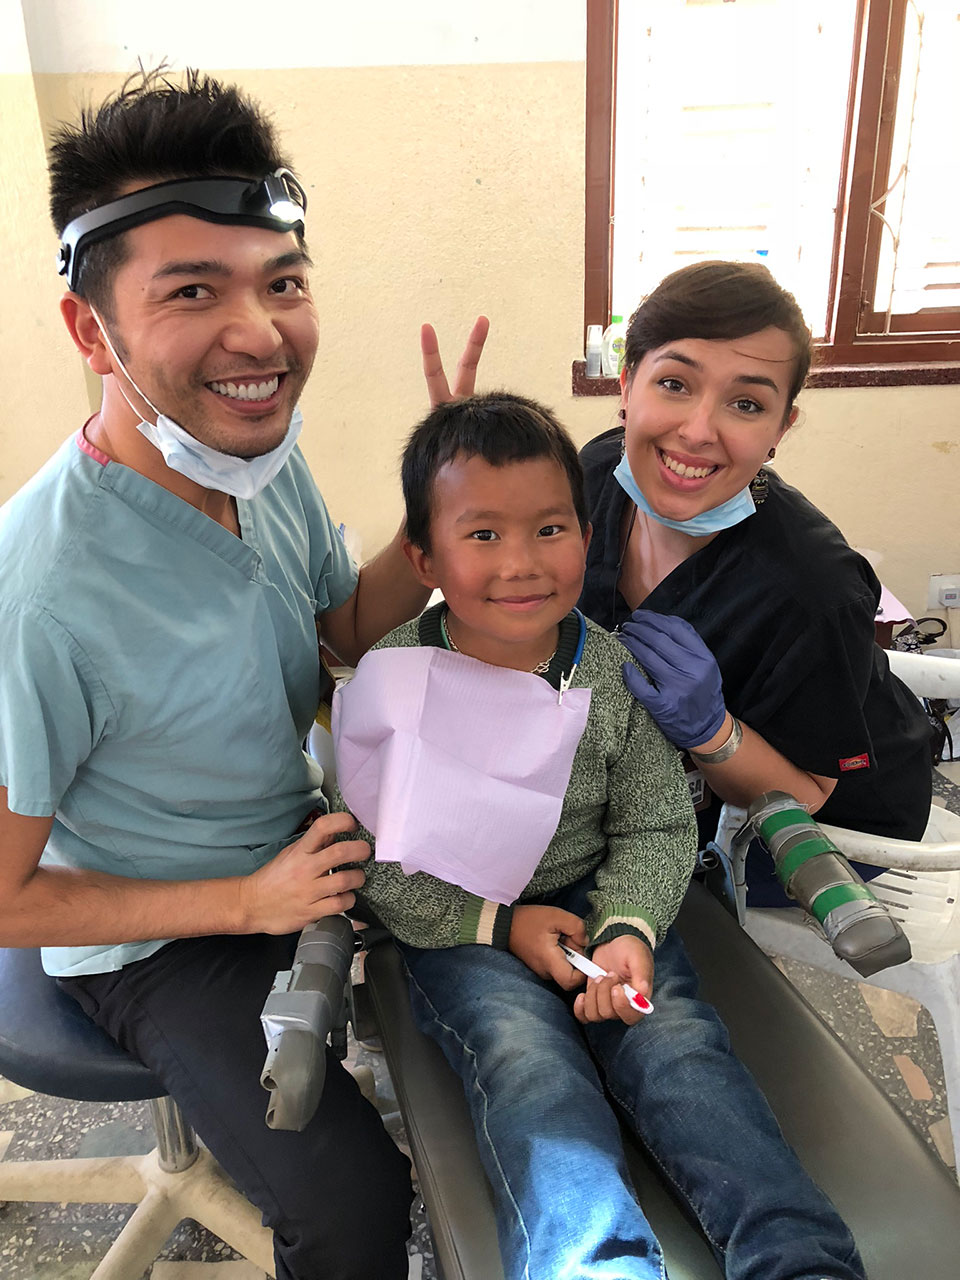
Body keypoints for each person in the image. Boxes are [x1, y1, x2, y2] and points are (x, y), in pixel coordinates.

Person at [0, 69, 475, 1280]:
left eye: (283, 284)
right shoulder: (44, 594)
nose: (260, 335)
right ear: (89, 329)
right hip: (159, 931)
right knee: (357, 1204)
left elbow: (335, 636)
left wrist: (445, 516)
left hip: (296, 847)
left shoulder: (258, 462)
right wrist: (246, 904)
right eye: (193, 291)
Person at [336, 392, 865, 1280]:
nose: (522, 565)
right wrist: (504, 928)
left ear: (588, 535)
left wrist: (627, 926)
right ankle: (594, 1263)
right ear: (424, 557)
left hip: (599, 901)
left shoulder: (612, 674)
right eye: (482, 536)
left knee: (678, 1046)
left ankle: (798, 1254)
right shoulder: (395, 683)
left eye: (550, 529)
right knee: (528, 1066)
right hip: (465, 925)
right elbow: (379, 860)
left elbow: (657, 820)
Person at [576, 260, 933, 902]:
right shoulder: (599, 472)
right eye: (675, 383)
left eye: (746, 403)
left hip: (829, 823)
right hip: (666, 782)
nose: (697, 431)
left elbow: (812, 790)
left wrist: (713, 733)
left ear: (779, 429)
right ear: (627, 384)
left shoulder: (812, 586)